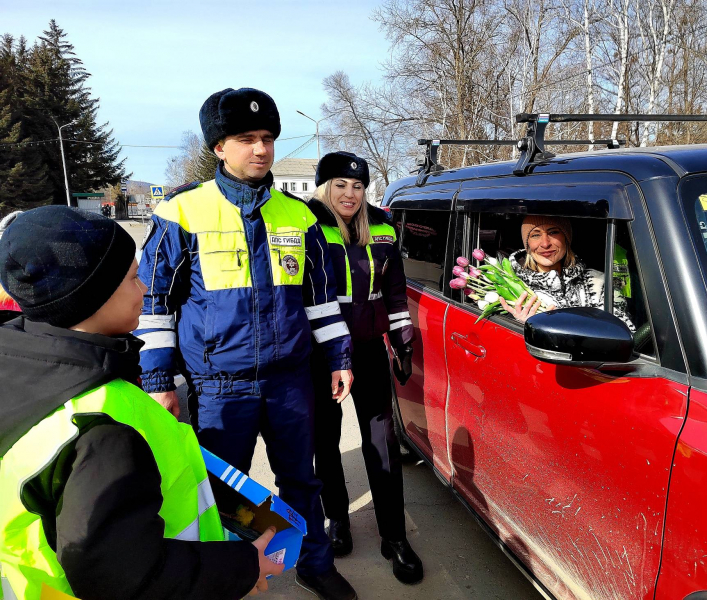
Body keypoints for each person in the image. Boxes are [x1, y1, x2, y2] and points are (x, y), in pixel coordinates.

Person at [134, 88, 357, 600]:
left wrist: (339, 357)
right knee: (224, 493)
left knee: (302, 480)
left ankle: (313, 564)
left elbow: (320, 299)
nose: (260, 149)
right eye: (245, 139)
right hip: (218, 387)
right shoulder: (181, 213)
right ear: (219, 147)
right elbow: (155, 304)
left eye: (267, 139)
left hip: (289, 382)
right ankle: (230, 574)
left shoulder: (300, 217)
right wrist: (158, 380)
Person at [0, 206, 283, 600]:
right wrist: (241, 567)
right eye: (134, 278)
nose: (145, 290)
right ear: (92, 296)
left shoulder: (20, 365)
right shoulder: (100, 426)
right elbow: (122, 575)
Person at [307, 152, 423, 585]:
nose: (350, 194)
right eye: (340, 185)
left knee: (382, 442)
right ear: (324, 187)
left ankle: (394, 536)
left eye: (357, 186)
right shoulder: (307, 225)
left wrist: (402, 340)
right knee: (325, 440)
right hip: (321, 353)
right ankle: (338, 519)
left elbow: (394, 292)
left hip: (369, 349)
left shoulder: (383, 224)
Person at [500, 215, 634, 330]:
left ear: (566, 238)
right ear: (527, 244)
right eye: (535, 235)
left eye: (553, 232)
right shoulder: (512, 286)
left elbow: (623, 330)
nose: (545, 243)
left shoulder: (598, 282)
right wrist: (523, 326)